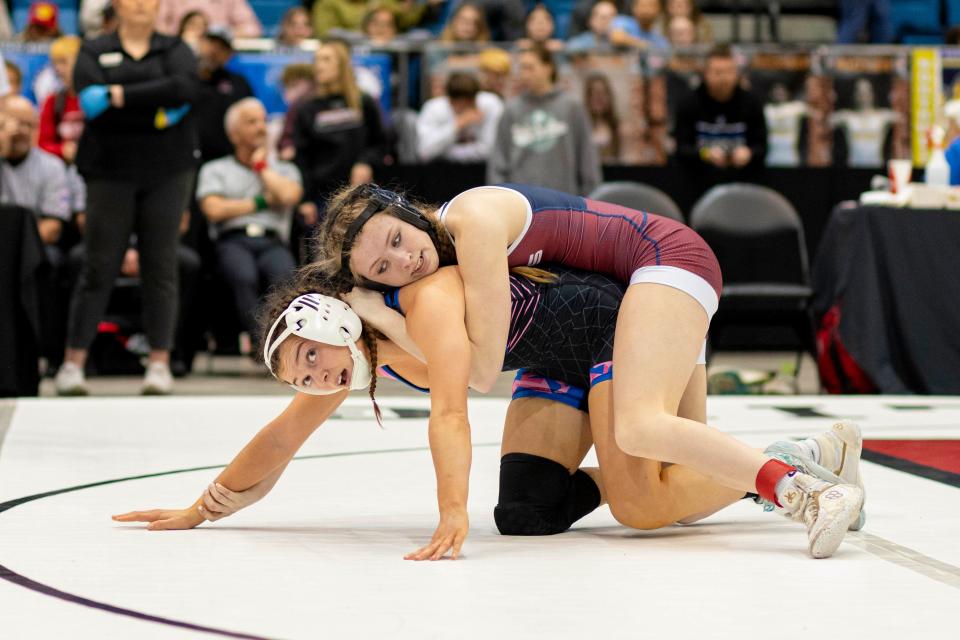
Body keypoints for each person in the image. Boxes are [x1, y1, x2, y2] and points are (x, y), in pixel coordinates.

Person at [115, 244, 866, 559]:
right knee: (528, 514)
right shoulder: (359, 353)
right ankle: (697, 463)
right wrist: (203, 507)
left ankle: (793, 464)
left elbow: (450, 416)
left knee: (639, 505)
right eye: (298, 375)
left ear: (331, 321)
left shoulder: (421, 305)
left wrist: (449, 514)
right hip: (554, 361)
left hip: (612, 331)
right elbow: (280, 440)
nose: (312, 379)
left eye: (309, 357)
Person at [312, 175, 868, 560]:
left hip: (663, 263)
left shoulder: (471, 223)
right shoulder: (435, 264)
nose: (405, 260)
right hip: (617, 307)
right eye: (384, 267)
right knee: (545, 508)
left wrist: (378, 316)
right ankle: (810, 456)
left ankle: (803, 488)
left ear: (407, 213)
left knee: (642, 448)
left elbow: (481, 371)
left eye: (397, 239)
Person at [54, 0, 199, 396]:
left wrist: (117, 94)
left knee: (161, 264)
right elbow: (90, 102)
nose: (141, 5)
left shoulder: (175, 48)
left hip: (168, 170)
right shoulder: (93, 48)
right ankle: (73, 363)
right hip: (109, 170)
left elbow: (186, 88)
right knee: (98, 265)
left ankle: (158, 363)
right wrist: (158, 112)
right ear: (117, 5)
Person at [196, 98, 302, 341]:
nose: (261, 127)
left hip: (273, 242)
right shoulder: (215, 169)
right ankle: (264, 342)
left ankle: (284, 342)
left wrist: (262, 166)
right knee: (243, 275)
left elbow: (288, 195)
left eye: (263, 121)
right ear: (233, 134)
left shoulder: (284, 169)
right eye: (252, 122)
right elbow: (213, 209)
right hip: (232, 241)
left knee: (284, 276)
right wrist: (262, 202)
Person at [291, 40, 386, 220]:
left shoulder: (363, 102)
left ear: (342, 65)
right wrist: (306, 199)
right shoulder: (306, 107)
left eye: (326, 59)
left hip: (360, 193)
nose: (319, 66)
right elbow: (302, 158)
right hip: (322, 197)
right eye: (317, 60)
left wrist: (365, 162)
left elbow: (380, 143)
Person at [488, 45, 600, 196]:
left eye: (530, 68)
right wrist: (498, 195)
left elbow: (587, 155)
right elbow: (498, 160)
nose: (525, 74)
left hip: (564, 200)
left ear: (548, 68)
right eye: (522, 68)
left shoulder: (571, 107)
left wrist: (590, 196)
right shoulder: (511, 109)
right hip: (521, 202)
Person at [675, 45, 766, 182]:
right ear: (705, 74)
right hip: (698, 181)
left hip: (742, 181)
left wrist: (749, 153)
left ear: (737, 74)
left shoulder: (752, 102)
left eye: (729, 71)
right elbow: (681, 148)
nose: (723, 78)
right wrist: (706, 154)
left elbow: (761, 147)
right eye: (717, 72)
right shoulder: (689, 102)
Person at [192, 26, 254, 163]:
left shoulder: (238, 84)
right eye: (211, 44)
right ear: (200, 44)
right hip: (187, 158)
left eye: (221, 47)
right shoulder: (184, 80)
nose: (214, 51)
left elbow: (251, 118)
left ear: (229, 54)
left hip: (226, 160)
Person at [416, 71, 503, 163]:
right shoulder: (433, 108)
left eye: (471, 103)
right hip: (441, 169)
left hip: (482, 169)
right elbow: (424, 151)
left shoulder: (491, 104)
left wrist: (446, 152)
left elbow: (490, 151)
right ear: (450, 101)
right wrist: (457, 124)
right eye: (462, 105)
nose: (468, 108)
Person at [829, 78, 898, 168]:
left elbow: (903, 119)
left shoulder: (883, 117)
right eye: (859, 91)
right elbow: (826, 120)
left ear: (872, 93)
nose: (863, 95)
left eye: (866, 91)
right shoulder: (847, 117)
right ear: (854, 94)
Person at [156, 0, 262, 37]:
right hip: (176, 53)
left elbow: (252, 29)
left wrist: (220, 33)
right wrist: (180, 37)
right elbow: (157, 28)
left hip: (216, 55)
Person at [583, 72, 621, 162]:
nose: (599, 98)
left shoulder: (619, 127)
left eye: (603, 93)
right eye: (594, 93)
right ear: (588, 97)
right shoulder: (581, 127)